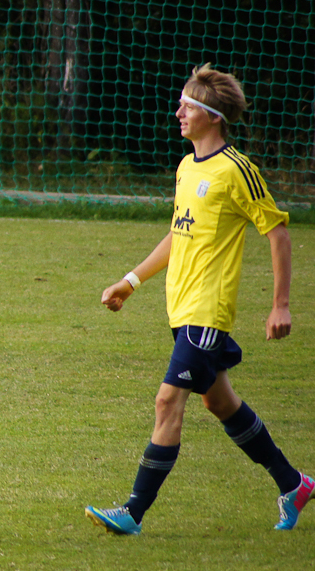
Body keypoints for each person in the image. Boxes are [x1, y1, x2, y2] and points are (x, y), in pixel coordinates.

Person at [85, 64, 311, 535]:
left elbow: (277, 231)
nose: (178, 113)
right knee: (220, 403)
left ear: (212, 116)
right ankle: (294, 484)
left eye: (187, 106)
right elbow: (178, 233)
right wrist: (131, 281)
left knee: (167, 401)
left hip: (208, 311)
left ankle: (132, 512)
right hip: (181, 308)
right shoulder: (187, 167)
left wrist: (280, 304)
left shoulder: (237, 170)